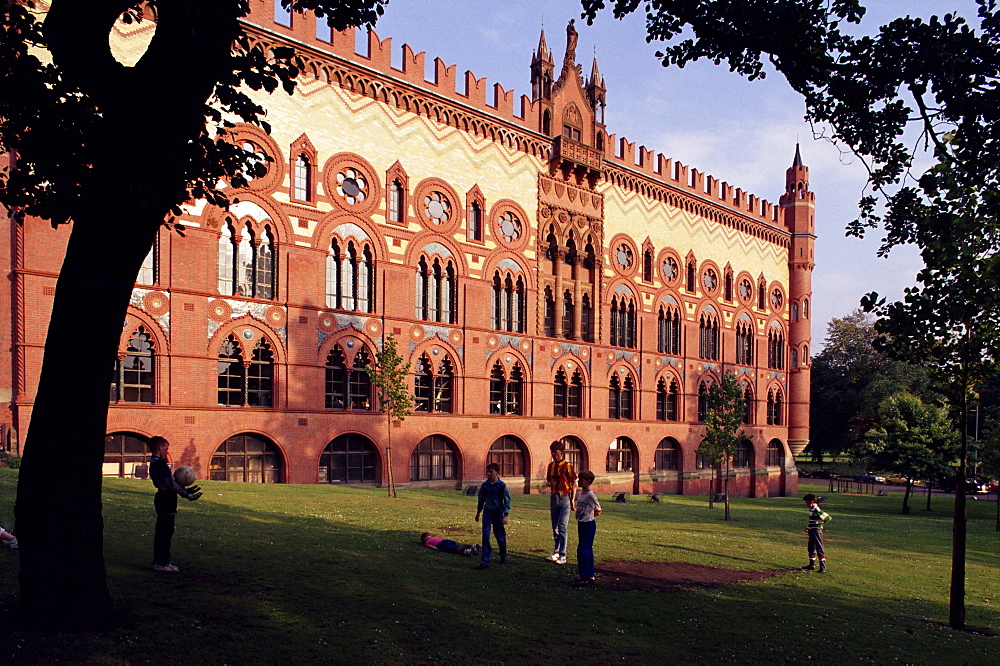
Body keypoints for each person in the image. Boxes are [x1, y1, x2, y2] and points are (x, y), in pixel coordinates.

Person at [148, 436, 202, 573]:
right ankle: (161, 563)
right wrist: (186, 495)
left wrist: (186, 489)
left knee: (166, 531)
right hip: (165, 499)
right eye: (166, 448)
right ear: (160, 448)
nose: (167, 451)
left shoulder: (158, 463)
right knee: (164, 533)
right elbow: (171, 484)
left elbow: (171, 481)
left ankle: (163, 561)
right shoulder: (159, 464)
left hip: (166, 499)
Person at [474, 462, 511, 569]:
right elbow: (481, 499)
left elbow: (507, 501)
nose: (489, 474)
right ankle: (485, 561)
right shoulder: (485, 486)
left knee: (500, 536)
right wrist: (478, 512)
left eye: (491, 472)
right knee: (485, 535)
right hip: (487, 512)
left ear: (497, 472)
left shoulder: (502, 486)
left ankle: (503, 555)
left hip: (498, 513)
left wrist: (505, 515)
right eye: (488, 471)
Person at [545, 440, 576, 565]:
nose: (553, 455)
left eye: (556, 452)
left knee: (562, 527)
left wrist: (572, 500)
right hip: (554, 497)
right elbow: (547, 482)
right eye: (552, 452)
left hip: (564, 498)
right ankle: (556, 551)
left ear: (561, 452)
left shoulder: (567, 466)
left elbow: (574, 482)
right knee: (555, 527)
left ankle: (563, 554)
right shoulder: (550, 466)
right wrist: (550, 483)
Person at [573, 470, 602, 586]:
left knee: (585, 549)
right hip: (581, 523)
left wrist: (589, 516)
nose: (579, 481)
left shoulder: (591, 495)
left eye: (581, 479)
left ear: (588, 481)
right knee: (581, 549)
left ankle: (588, 576)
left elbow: (598, 509)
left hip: (588, 525)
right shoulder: (580, 494)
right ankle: (584, 574)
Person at [802, 493, 831, 573]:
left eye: (807, 502)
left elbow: (828, 518)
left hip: (816, 531)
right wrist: (809, 527)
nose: (806, 504)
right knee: (811, 547)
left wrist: (819, 524)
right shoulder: (811, 510)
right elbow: (812, 521)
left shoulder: (817, 510)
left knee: (819, 547)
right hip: (812, 530)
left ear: (812, 501)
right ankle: (812, 565)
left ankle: (822, 567)